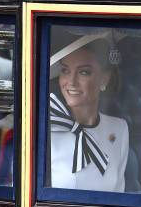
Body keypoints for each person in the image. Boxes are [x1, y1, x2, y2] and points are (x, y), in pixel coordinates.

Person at [49, 33, 128, 192]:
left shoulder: (119, 128)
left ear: (104, 79)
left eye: (83, 72)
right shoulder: (46, 128)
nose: (71, 82)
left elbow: (119, 194)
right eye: (65, 71)